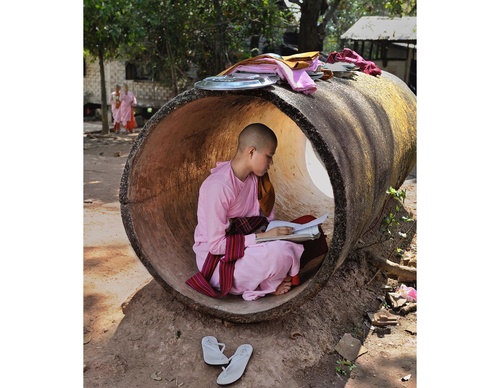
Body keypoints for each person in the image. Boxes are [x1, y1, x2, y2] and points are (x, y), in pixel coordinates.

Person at [187, 123, 306, 301]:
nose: (271, 163)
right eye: (269, 156)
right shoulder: (219, 187)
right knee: (282, 251)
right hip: (219, 262)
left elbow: (259, 221)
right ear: (251, 152)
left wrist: (270, 233)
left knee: (305, 230)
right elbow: (216, 246)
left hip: (245, 245)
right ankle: (268, 285)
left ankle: (271, 274)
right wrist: (264, 237)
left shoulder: (253, 178)